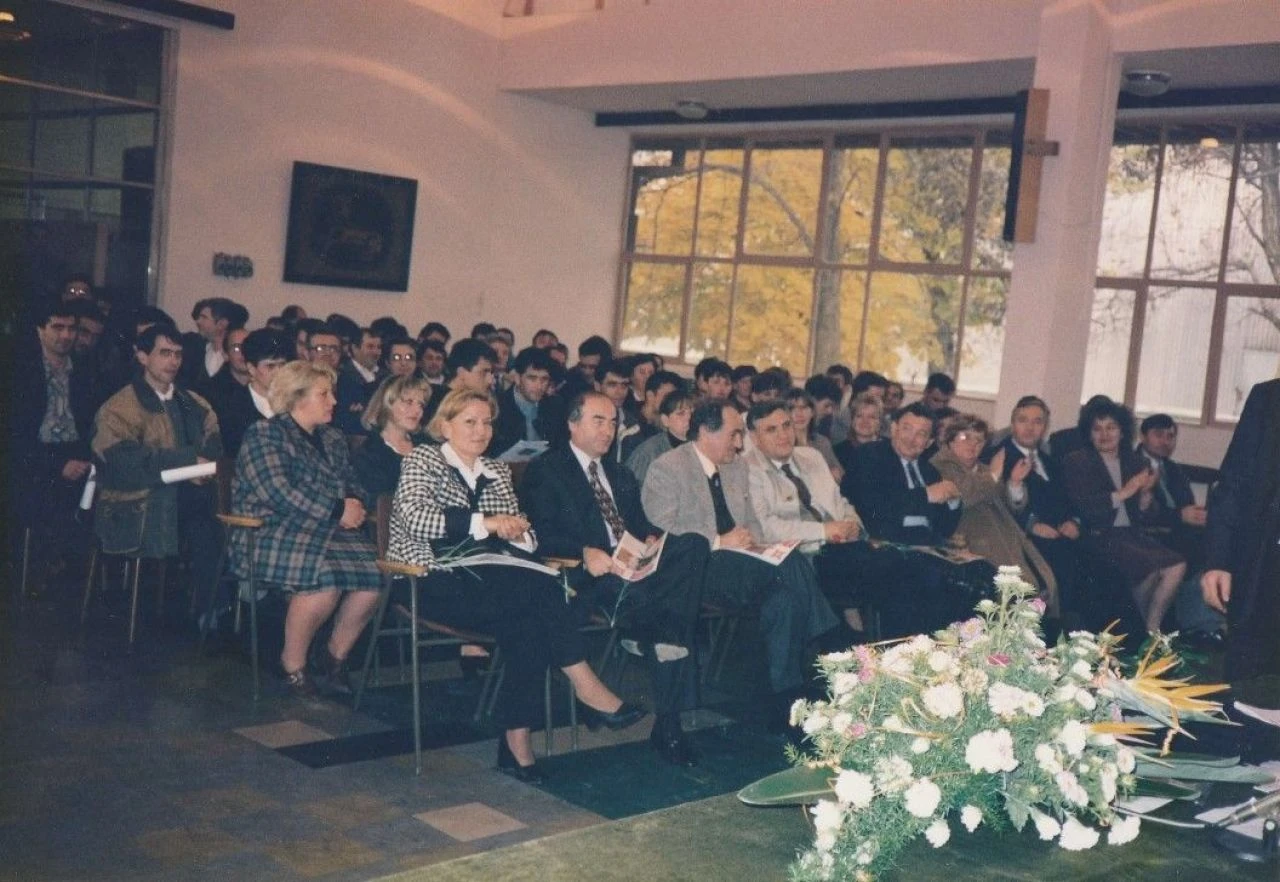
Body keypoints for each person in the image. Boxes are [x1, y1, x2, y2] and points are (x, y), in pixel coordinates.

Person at [389, 389, 644, 782]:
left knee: (528, 618)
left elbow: (525, 536)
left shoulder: (496, 470)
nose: (481, 430)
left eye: (487, 422)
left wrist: (518, 534)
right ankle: (583, 690)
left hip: (492, 583)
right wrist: (486, 523)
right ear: (445, 426)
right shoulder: (423, 459)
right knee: (538, 599)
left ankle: (518, 740)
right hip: (427, 579)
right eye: (469, 422)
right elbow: (416, 519)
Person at [520, 392, 710, 766]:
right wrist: (584, 550)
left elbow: (640, 525)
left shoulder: (619, 473)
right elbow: (539, 533)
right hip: (588, 575)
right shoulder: (548, 469)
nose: (608, 430)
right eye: (598, 420)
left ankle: (646, 633)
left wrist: (654, 539)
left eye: (613, 422)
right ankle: (668, 724)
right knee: (670, 624)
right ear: (572, 424)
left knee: (692, 544)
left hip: (634, 570)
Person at [642, 400, 840, 728]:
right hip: (696, 570)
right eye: (734, 434)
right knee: (790, 568)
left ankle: (787, 698)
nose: (739, 443)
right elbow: (664, 531)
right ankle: (828, 640)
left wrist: (760, 544)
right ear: (706, 432)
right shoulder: (668, 467)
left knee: (785, 600)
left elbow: (753, 525)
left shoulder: (736, 467)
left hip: (743, 565)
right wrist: (720, 541)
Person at [231, 360, 381, 698]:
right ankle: (293, 664)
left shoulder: (332, 438)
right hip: (271, 530)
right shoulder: (265, 433)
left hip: (325, 530)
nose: (334, 402)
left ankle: (333, 657)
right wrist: (335, 509)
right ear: (297, 398)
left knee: (375, 574)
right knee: (323, 578)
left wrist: (355, 501)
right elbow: (276, 491)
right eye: (324, 394)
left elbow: (350, 480)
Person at [92, 323, 222, 616]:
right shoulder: (120, 406)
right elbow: (123, 462)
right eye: (164, 353)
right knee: (206, 518)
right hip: (137, 498)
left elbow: (214, 445)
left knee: (215, 509)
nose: (173, 361)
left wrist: (202, 470)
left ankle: (213, 605)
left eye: (177, 354)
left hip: (188, 492)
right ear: (141, 356)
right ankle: (212, 607)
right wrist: (188, 462)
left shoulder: (194, 404)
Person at [743, 401, 870, 637]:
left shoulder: (811, 455)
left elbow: (839, 501)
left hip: (840, 545)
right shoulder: (748, 469)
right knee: (860, 571)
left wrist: (852, 524)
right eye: (771, 430)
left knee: (890, 569)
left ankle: (874, 642)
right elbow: (766, 528)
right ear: (754, 437)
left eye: (786, 425)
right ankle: (848, 637)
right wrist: (824, 531)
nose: (783, 435)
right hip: (801, 553)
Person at [1062, 400, 1185, 635]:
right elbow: (1087, 508)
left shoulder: (1135, 461)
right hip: (1100, 535)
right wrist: (1126, 491)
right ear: (1089, 433)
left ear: (1122, 431)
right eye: (1097, 429)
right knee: (1148, 570)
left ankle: (1151, 628)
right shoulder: (1078, 461)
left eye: (1111, 427)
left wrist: (1146, 493)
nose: (1105, 434)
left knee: (1177, 565)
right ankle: (1142, 632)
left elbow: (1147, 514)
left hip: (1131, 534)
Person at [931, 415, 1059, 617]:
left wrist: (1015, 484)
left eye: (979, 440)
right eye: (965, 437)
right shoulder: (941, 464)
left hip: (1006, 536)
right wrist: (993, 475)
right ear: (950, 439)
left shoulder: (983, 468)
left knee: (1044, 582)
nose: (972, 445)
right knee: (1018, 590)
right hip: (970, 537)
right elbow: (965, 495)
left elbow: (1011, 505)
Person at [10, 301, 98, 591]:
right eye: (57, 327)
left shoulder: (84, 372)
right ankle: (43, 568)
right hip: (35, 454)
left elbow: (90, 424)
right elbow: (14, 434)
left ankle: (69, 571)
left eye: (71, 328)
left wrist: (82, 459)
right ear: (40, 330)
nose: (66, 335)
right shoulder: (20, 371)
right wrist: (57, 465)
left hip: (75, 450)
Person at [1202, 378, 1280, 681]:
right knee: (1247, 690)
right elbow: (1233, 482)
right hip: (1261, 574)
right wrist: (1217, 560)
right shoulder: (1267, 398)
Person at [984, 396, 1084, 624]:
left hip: (1063, 535)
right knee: (1066, 570)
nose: (1030, 427)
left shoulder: (1050, 461)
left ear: (1045, 426)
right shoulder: (998, 456)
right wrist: (1031, 523)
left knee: (1104, 571)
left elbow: (1071, 501)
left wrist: (1075, 522)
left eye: (1037, 422)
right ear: (1012, 423)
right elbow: (995, 505)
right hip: (1024, 537)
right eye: (1023, 420)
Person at [352, 375, 431, 496]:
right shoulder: (369, 454)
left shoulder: (427, 446)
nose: (417, 410)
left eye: (421, 404)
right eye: (409, 402)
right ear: (386, 403)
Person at [217, 329, 291, 457]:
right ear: (251, 368)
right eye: (270, 366)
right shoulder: (231, 407)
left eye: (282, 365)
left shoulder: (295, 401)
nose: (279, 373)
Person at [487, 346, 556, 459]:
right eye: (532, 378)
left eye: (544, 379)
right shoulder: (497, 407)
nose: (539, 386)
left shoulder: (555, 406)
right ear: (517, 378)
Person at [626, 388, 693, 486]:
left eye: (692, 413)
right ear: (665, 420)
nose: (689, 418)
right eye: (681, 414)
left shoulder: (700, 447)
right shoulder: (648, 452)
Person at [785, 388, 842, 482]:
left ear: (812, 412)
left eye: (803, 407)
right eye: (792, 409)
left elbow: (839, 474)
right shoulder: (781, 443)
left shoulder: (821, 441)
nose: (799, 414)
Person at [335, 327, 383, 434]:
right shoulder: (343, 377)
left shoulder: (385, 376)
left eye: (379, 347)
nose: (376, 352)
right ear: (355, 348)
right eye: (370, 347)